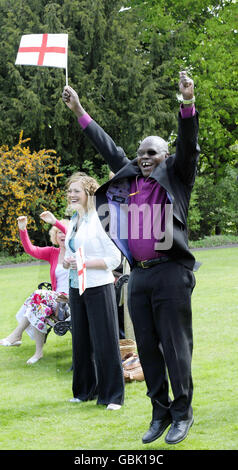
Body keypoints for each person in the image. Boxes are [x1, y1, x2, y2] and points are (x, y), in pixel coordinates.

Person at [62, 71, 200, 443]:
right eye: (140, 154)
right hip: (138, 277)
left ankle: (183, 413)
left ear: (164, 156)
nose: (143, 159)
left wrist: (187, 105)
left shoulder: (177, 175)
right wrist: (79, 111)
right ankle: (160, 414)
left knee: (175, 347)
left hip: (171, 273)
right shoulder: (130, 178)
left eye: (151, 153)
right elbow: (108, 147)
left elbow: (189, 144)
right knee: (148, 351)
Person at [56, 172, 124, 410]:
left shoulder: (100, 219)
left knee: (105, 342)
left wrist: (84, 263)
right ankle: (84, 391)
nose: (71, 195)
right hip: (76, 287)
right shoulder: (75, 220)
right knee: (81, 341)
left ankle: (113, 396)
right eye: (70, 191)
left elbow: (114, 258)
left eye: (76, 191)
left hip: (98, 286)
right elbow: (73, 253)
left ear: (88, 194)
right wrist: (67, 261)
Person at [0, 213, 69, 364]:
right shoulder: (53, 252)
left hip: (71, 302)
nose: (62, 235)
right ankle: (38, 353)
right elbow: (31, 250)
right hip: (56, 300)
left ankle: (17, 334)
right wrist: (22, 229)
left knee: (38, 294)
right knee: (38, 307)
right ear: (55, 236)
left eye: (64, 231)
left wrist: (57, 223)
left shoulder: (77, 252)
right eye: (59, 232)